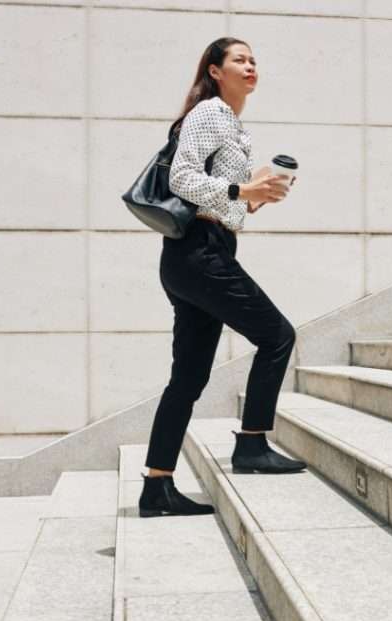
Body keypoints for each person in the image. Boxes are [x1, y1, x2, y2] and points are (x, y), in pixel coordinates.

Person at [138, 37, 307, 519]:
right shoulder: (210, 113)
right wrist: (242, 188)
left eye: (254, 59)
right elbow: (181, 180)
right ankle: (252, 443)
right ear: (215, 71)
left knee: (187, 379)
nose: (251, 65)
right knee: (277, 335)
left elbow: (219, 196)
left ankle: (157, 488)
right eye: (240, 59)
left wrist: (252, 199)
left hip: (198, 252)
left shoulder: (233, 126)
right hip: (200, 252)